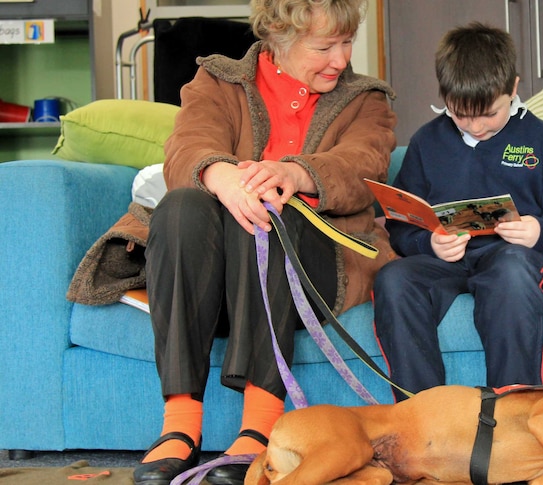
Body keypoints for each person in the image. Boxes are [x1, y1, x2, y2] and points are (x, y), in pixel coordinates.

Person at [133, 1, 397, 484]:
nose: (340, 60)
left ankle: (259, 427)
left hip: (314, 262)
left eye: (345, 43)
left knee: (269, 216)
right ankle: (179, 427)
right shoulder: (217, 81)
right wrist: (223, 177)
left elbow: (365, 165)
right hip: (219, 269)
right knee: (180, 206)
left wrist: (294, 172)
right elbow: (187, 146)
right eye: (324, 46)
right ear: (279, 37)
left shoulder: (367, 99)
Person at [373, 22, 543, 402]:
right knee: (393, 279)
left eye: (489, 113)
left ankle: (510, 412)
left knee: (510, 271)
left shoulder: (542, 140)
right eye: (460, 114)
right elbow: (401, 225)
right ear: (445, 97)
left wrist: (539, 230)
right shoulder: (426, 141)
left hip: (513, 257)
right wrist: (430, 244)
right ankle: (423, 416)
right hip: (449, 261)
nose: (476, 126)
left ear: (514, 88)